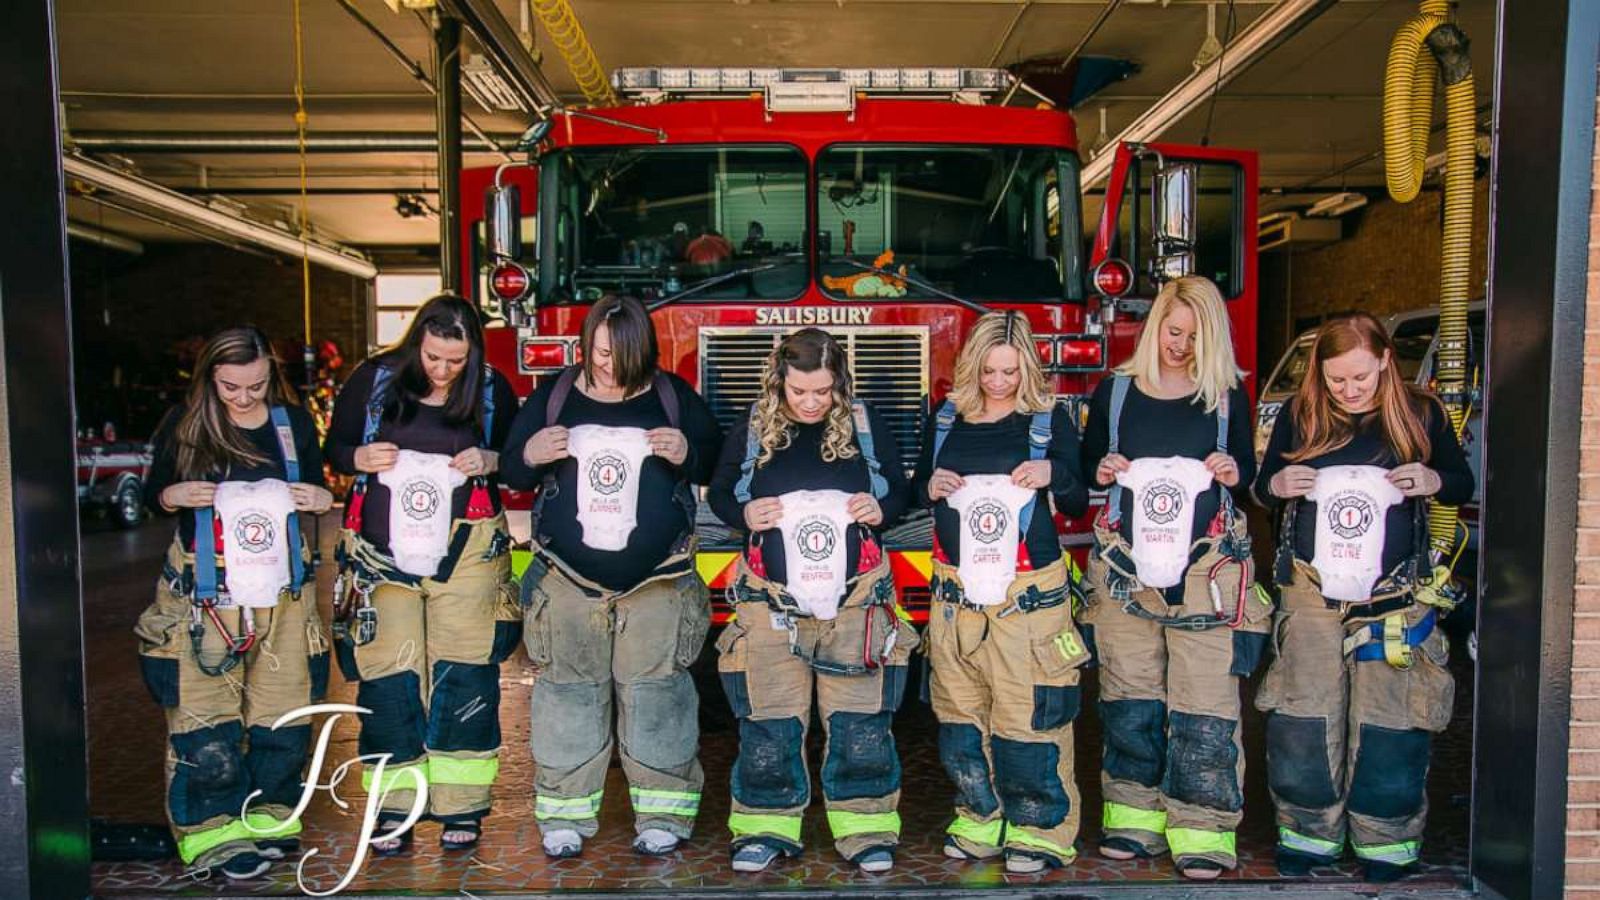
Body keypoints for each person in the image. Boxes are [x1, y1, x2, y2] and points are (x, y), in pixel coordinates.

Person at [499, 294, 724, 859]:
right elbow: (508, 469)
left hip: (660, 581)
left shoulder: (672, 397)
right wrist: (530, 451)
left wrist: (686, 451)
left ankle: (663, 818)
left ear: (641, 350)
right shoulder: (553, 395)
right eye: (598, 353)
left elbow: (721, 464)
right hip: (567, 580)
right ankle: (565, 819)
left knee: (658, 698)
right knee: (568, 698)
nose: (605, 365)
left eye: (617, 356)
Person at [1252, 312, 1471, 882]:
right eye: (1336, 381)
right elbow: (1261, 486)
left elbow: (1461, 480)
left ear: (1384, 363)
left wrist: (1431, 480)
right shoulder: (1301, 415)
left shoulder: (1421, 414)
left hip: (1394, 594)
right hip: (1310, 588)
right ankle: (1307, 834)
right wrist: (1276, 485)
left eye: (1360, 378)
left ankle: (1387, 842)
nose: (1349, 391)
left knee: (1391, 717)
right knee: (1305, 710)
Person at [707, 327, 919, 875]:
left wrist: (881, 507)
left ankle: (866, 828)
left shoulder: (864, 428)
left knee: (861, 719)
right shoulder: (756, 427)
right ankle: (765, 826)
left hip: (856, 602)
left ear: (839, 386)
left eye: (822, 392)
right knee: (770, 718)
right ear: (779, 383)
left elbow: (900, 488)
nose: (808, 402)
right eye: (797, 391)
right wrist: (744, 514)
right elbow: (721, 489)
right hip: (770, 603)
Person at [1078, 275, 1268, 879]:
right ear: (1155, 322)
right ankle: (1134, 819)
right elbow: (1087, 468)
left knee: (1205, 704)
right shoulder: (1115, 393)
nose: (1180, 345)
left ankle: (1203, 828)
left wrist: (1234, 470)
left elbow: (1250, 480)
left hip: (1208, 572)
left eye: (1195, 335)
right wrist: (1103, 467)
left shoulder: (1227, 398)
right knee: (1128, 696)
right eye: (1173, 330)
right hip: (1125, 573)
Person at [323, 294, 521, 854]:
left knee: (466, 673)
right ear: (417, 344)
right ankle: (393, 807)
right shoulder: (375, 380)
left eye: (455, 360)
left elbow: (521, 457)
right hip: (381, 557)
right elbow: (334, 448)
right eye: (433, 357)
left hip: (468, 553)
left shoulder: (490, 389)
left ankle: (463, 808)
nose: (442, 369)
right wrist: (358, 458)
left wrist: (492, 460)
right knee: (388, 677)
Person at [135, 326, 332, 881]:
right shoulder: (186, 423)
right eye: (231, 388)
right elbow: (155, 493)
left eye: (257, 386)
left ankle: (269, 817)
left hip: (282, 596)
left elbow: (317, 487)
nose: (245, 398)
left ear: (272, 375)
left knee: (283, 712)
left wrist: (319, 497)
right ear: (209, 380)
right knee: (205, 716)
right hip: (205, 596)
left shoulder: (291, 424)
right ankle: (213, 832)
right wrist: (174, 494)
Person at [913, 311, 1092, 873]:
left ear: (1027, 368)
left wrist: (1051, 476)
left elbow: (1077, 498)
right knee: (962, 715)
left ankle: (1040, 830)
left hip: (1028, 596)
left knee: (1028, 715)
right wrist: (931, 486)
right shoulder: (946, 419)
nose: (998, 382)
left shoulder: (1048, 420)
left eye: (1010, 371)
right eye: (988, 370)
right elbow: (918, 486)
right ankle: (979, 818)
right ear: (971, 366)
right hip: (955, 595)